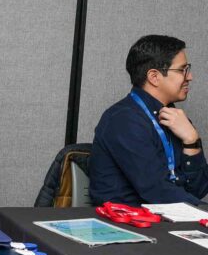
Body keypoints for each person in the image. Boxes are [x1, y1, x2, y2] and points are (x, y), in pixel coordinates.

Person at [89, 35, 208, 205]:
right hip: (127, 224)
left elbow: (197, 190)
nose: (190, 77)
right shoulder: (124, 120)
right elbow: (156, 191)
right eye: (183, 70)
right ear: (154, 76)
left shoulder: (177, 119)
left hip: (168, 220)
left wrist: (192, 141)